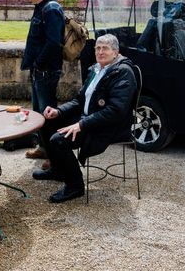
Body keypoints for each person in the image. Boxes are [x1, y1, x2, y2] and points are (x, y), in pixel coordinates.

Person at [33, 34, 137, 203]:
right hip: (88, 119)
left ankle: (75, 186)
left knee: (58, 140)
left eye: (105, 48)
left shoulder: (123, 73)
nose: (100, 51)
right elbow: (79, 100)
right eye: (97, 48)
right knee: (46, 122)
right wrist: (58, 112)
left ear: (116, 52)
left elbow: (115, 111)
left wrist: (81, 124)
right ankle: (58, 170)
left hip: (106, 127)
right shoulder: (96, 69)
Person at [20, 0, 65, 165]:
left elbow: (54, 42)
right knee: (38, 112)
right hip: (40, 69)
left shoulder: (51, 9)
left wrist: (38, 62)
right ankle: (44, 148)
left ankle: (54, 155)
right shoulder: (43, 8)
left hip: (46, 70)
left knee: (47, 113)